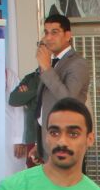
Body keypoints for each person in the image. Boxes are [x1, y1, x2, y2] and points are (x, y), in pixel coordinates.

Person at [32, 12, 90, 162]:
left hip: (66, 142)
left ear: (68, 35)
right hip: (48, 138)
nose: (48, 38)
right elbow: (43, 104)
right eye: (46, 33)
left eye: (55, 32)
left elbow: (69, 99)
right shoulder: (53, 62)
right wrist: (39, 142)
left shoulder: (77, 63)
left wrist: (46, 68)